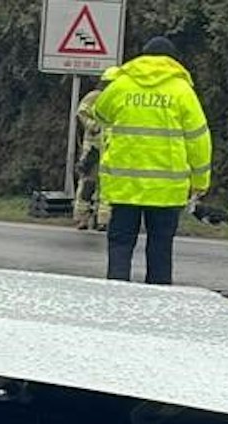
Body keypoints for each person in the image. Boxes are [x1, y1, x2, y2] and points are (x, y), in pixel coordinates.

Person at [90, 36, 212, 284]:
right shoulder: (182, 91)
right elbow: (199, 140)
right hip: (166, 189)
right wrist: (200, 181)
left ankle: (115, 295)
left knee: (120, 243)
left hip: (125, 186)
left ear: (142, 57)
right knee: (160, 247)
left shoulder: (122, 85)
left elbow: (99, 113)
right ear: (172, 61)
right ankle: (158, 297)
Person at [73, 73, 114, 232]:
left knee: (107, 185)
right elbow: (82, 112)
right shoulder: (94, 96)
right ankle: (82, 217)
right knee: (87, 183)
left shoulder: (119, 98)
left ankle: (103, 219)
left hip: (111, 149)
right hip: (93, 148)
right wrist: (93, 126)